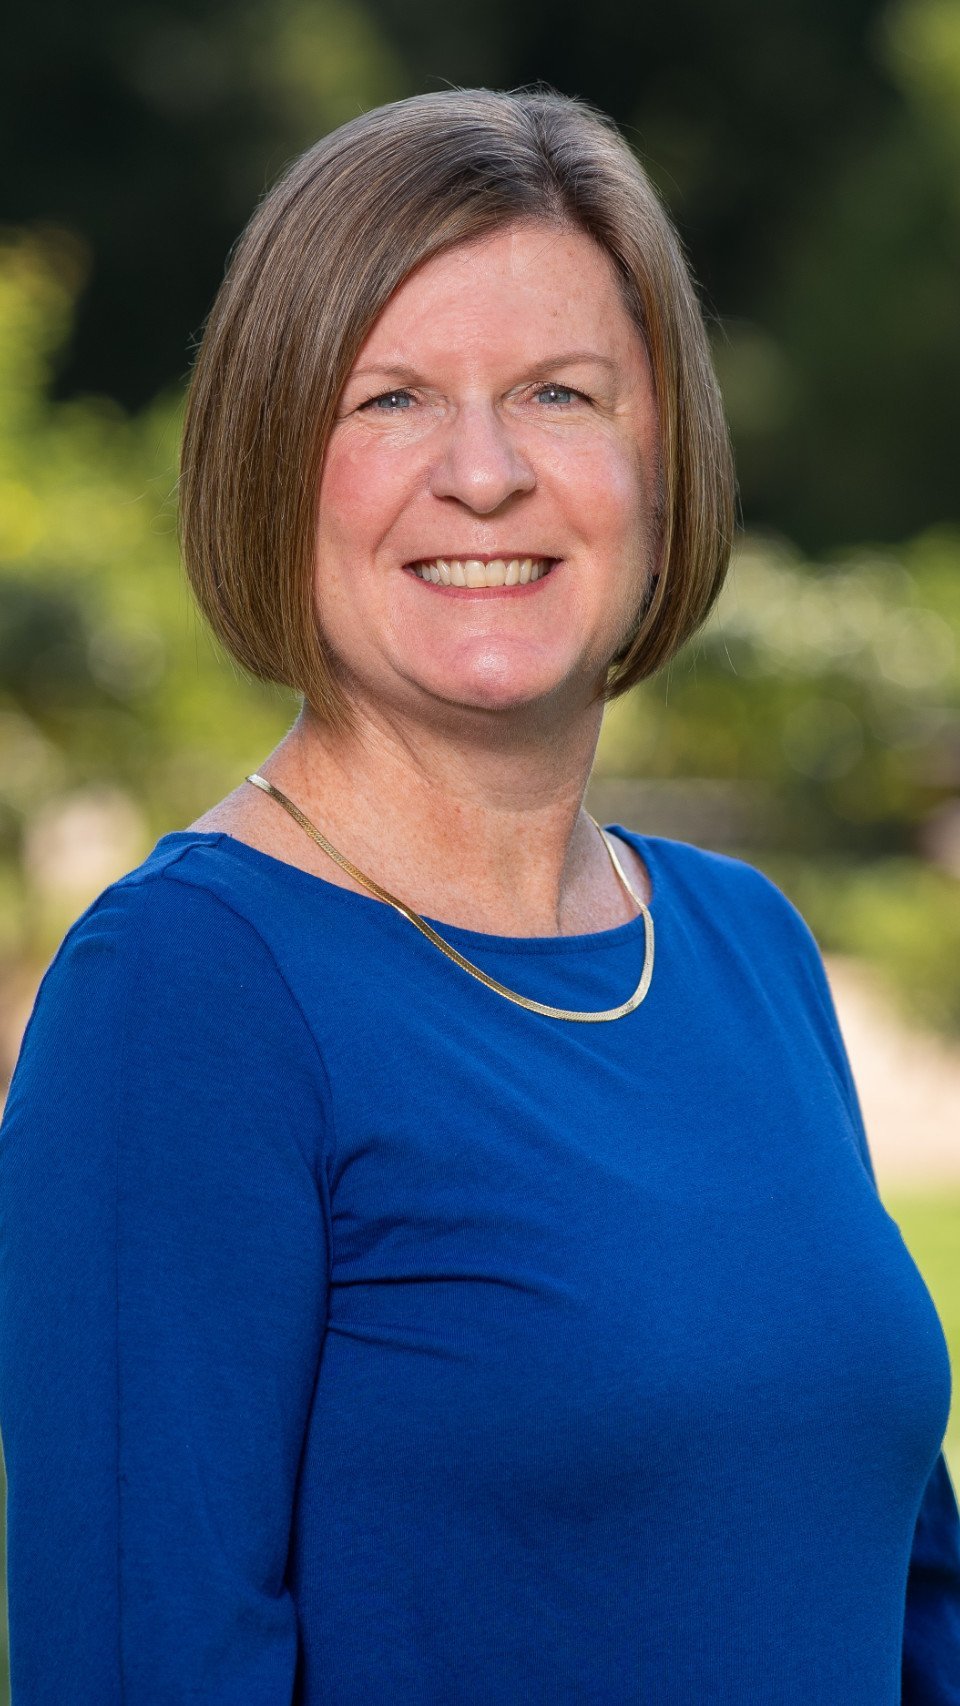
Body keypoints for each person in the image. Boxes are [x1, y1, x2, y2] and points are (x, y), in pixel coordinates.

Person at [0, 85, 957, 1705]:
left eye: (561, 393)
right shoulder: (186, 993)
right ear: (271, 458)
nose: (487, 473)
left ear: (665, 461)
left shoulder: (742, 948)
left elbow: (901, 1585)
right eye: (389, 399)